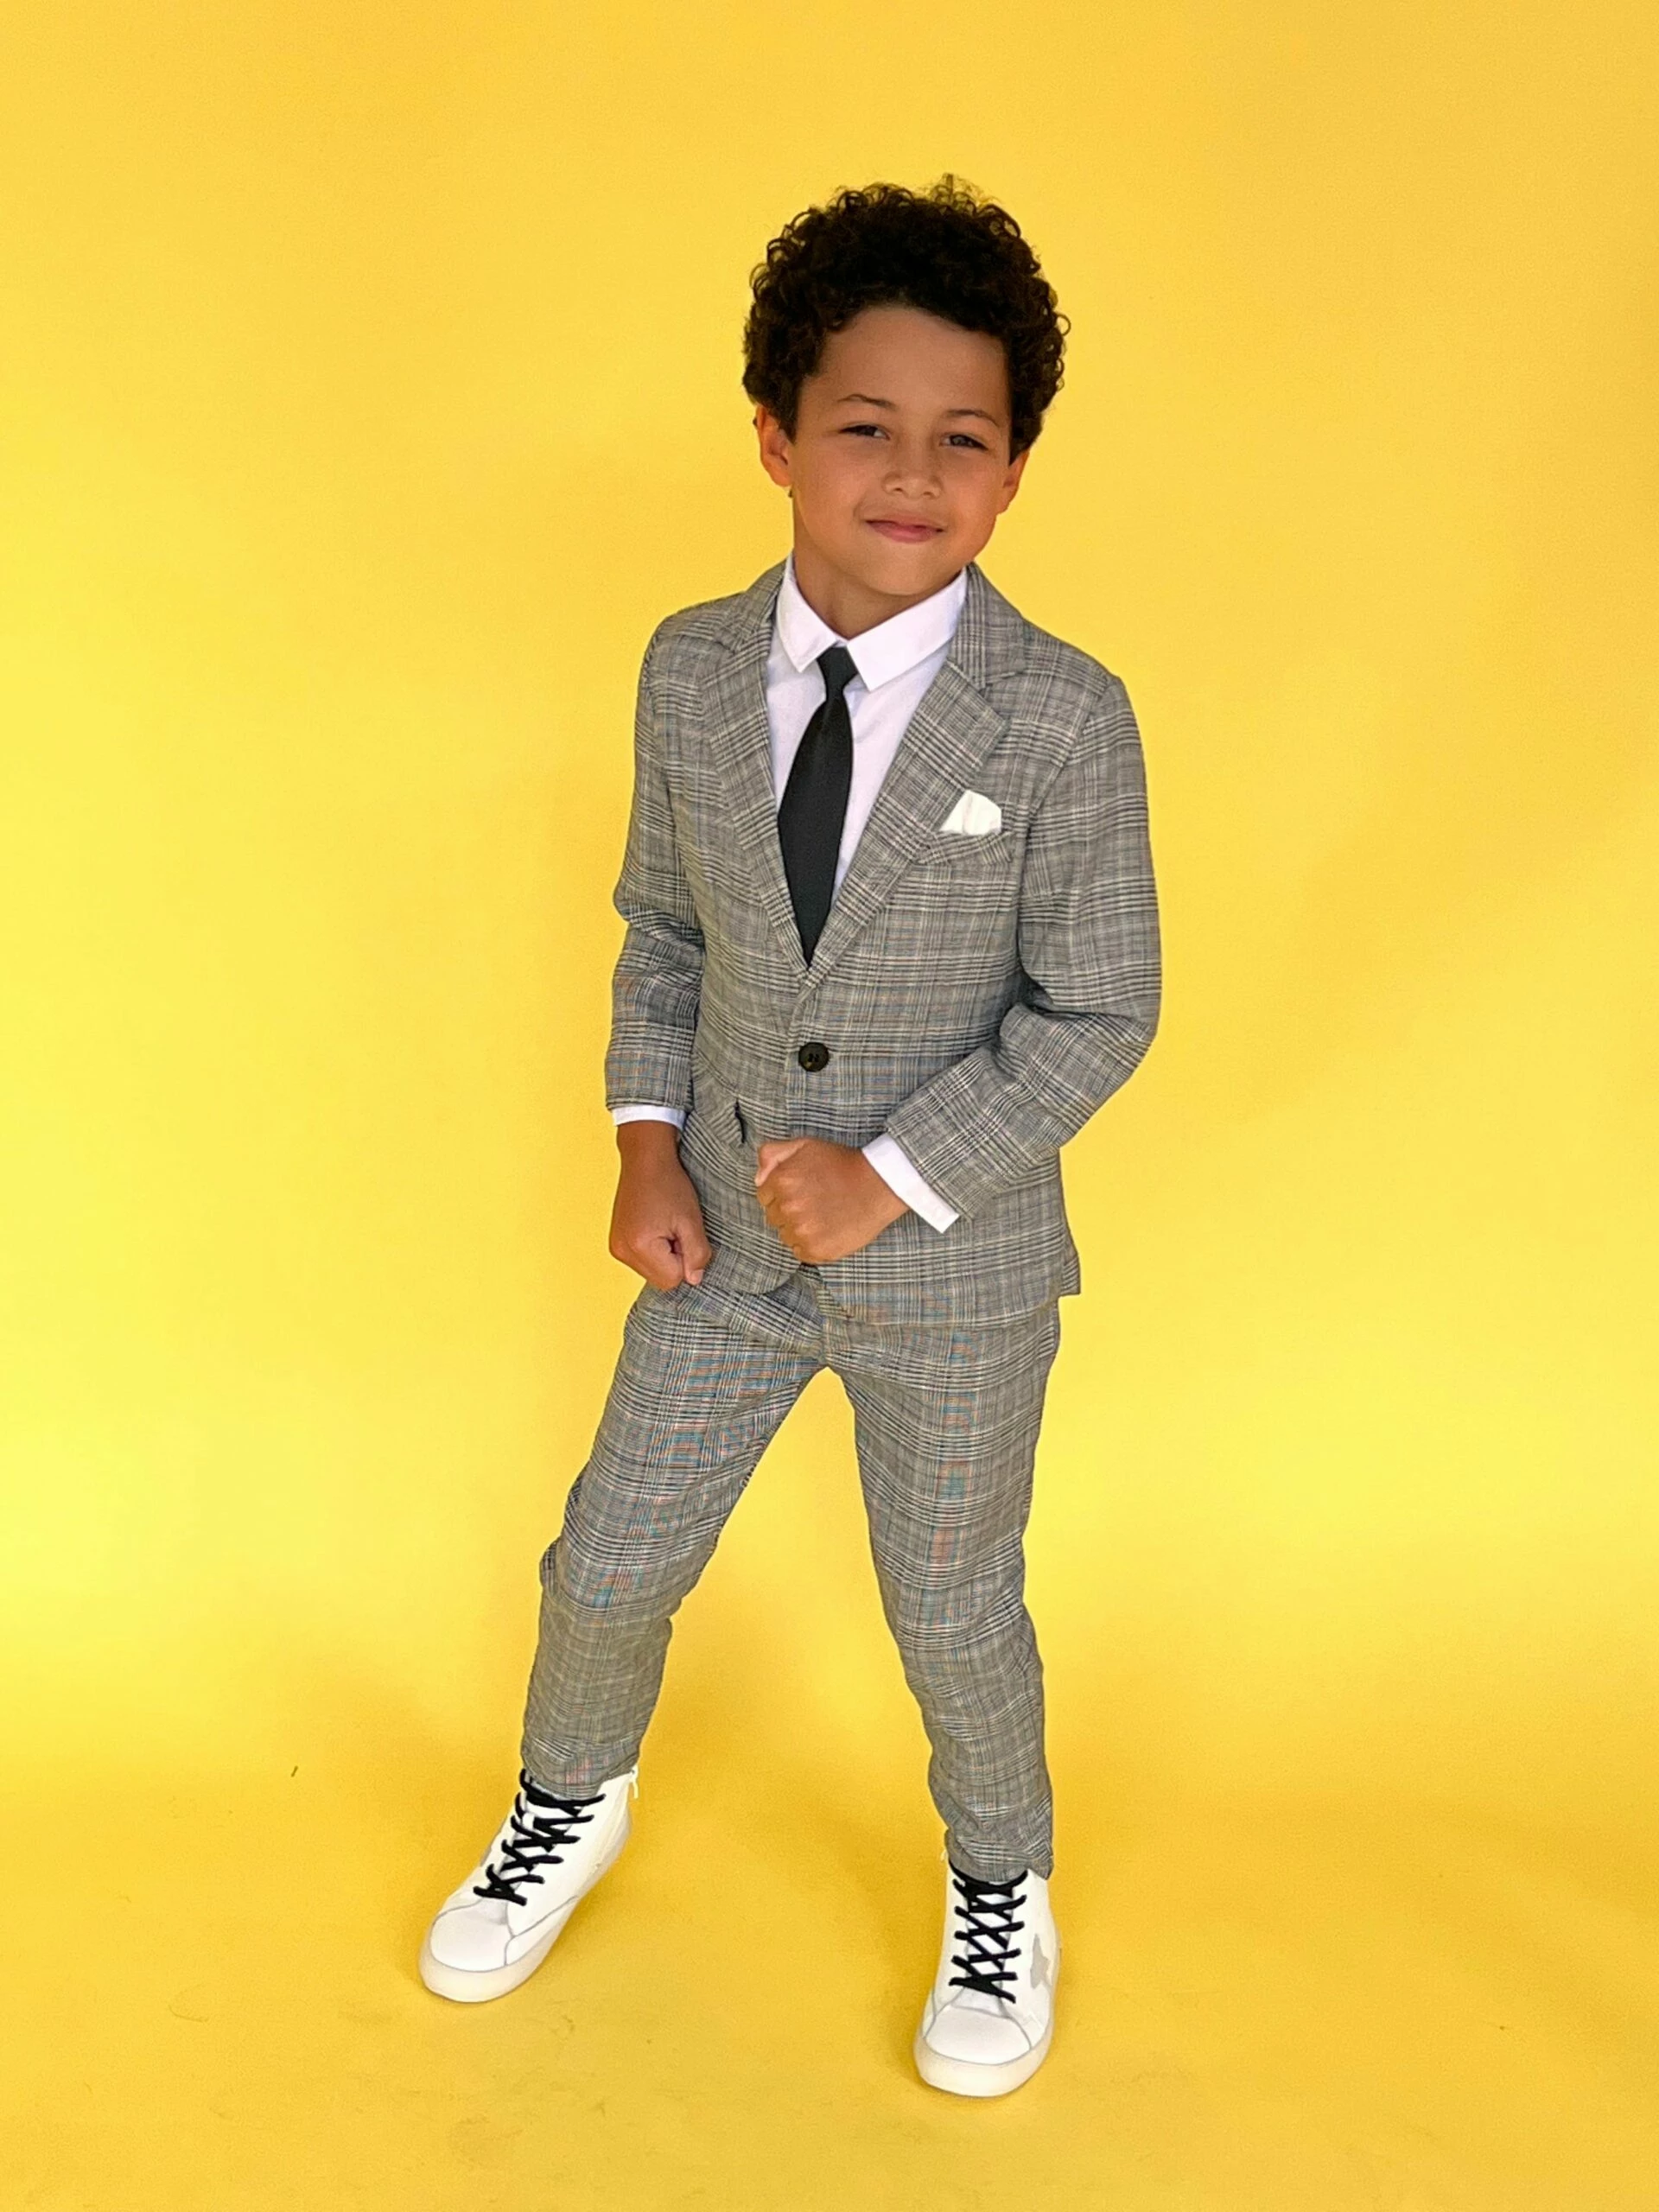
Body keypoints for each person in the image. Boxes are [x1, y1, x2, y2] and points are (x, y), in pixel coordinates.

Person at [418, 176, 1160, 2099]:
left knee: (952, 1605)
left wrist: (890, 1175)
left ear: (1013, 472)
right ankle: (567, 1797)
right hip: (725, 1253)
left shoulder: (1064, 719)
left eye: (964, 440)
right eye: (864, 427)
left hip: (954, 1274)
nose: (911, 474)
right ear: (775, 436)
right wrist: (644, 1141)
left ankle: (1003, 1879)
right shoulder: (687, 667)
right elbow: (664, 928)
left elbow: (1101, 1010)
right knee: (606, 1559)